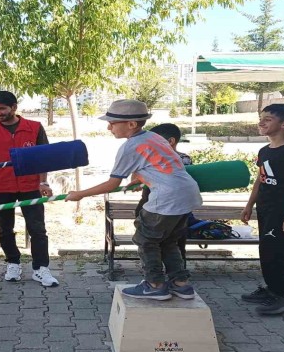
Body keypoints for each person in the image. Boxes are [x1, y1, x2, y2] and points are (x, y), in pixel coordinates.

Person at [66, 100, 202, 300]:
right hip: (187, 194)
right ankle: (181, 284)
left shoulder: (130, 146)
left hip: (166, 198)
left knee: (146, 240)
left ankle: (154, 285)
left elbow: (112, 184)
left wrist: (79, 194)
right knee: (168, 241)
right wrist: (140, 178)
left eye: (112, 123)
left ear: (131, 124)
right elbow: (162, 163)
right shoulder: (154, 137)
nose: (108, 127)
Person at [0, 90, 59, 287]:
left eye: (2, 109)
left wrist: (43, 182)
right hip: (1, 187)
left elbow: (42, 158)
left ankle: (41, 269)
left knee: (37, 229)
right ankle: (13, 263)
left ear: (14, 107)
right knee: (5, 229)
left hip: (30, 186)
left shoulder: (35, 128)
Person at [241, 104, 284, 315]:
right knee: (266, 251)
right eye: (261, 118)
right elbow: (260, 180)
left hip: (283, 212)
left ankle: (281, 296)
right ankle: (270, 290)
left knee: (277, 253)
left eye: (268, 119)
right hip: (266, 209)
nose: (261, 122)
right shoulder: (264, 151)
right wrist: (249, 205)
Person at [133, 123, 194, 264]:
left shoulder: (182, 160)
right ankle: (158, 277)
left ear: (171, 141)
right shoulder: (148, 157)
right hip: (149, 207)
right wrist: (139, 180)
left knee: (173, 243)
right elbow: (136, 175)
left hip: (173, 208)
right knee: (150, 244)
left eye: (156, 140)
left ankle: (172, 276)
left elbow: (172, 183)